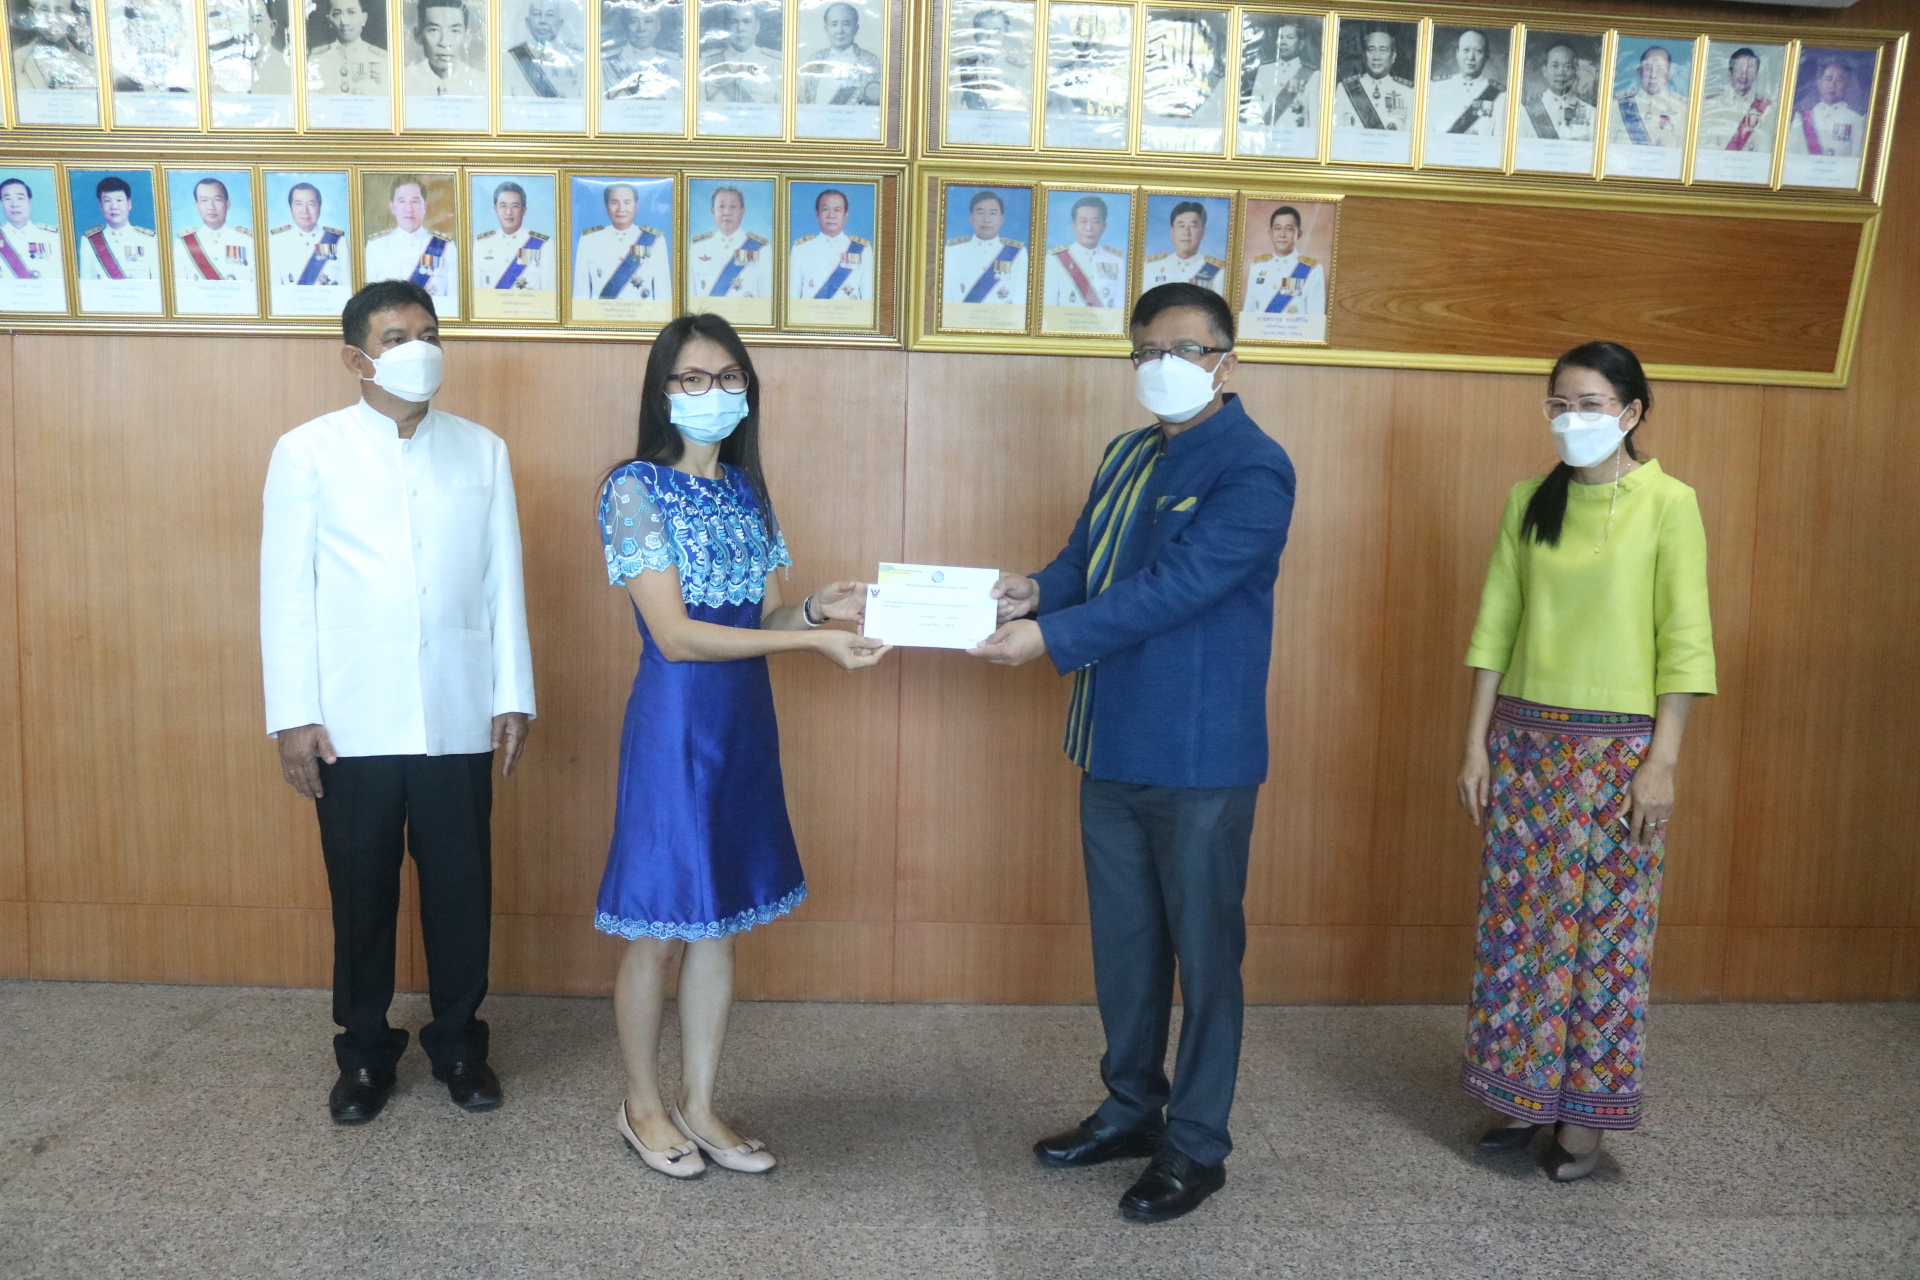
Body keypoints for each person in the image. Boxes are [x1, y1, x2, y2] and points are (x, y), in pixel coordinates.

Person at [971, 282, 1295, 1223]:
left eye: (1184, 349)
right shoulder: (1126, 453)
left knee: (1205, 955)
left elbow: (1177, 586)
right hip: (1110, 740)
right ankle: (1129, 1110)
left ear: (1227, 361)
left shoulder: (1255, 466)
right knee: (1125, 947)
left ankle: (1197, 1144)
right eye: (1146, 350)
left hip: (1198, 755)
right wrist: (1034, 592)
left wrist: (1053, 637)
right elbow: (1087, 562)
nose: (1163, 366)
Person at [595, 312, 886, 1179]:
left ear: (748, 391)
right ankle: (641, 1105)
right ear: (662, 391)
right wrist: (810, 644)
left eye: (728, 378)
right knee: (659, 926)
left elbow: (759, 619)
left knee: (718, 923)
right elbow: (678, 636)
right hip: (675, 725)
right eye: (692, 378)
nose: (711, 393)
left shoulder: (746, 492)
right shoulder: (635, 489)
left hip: (744, 724)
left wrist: (816, 611)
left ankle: (701, 1103)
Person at [261, 280, 535, 1125]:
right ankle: (364, 1055)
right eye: (395, 337)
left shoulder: (483, 451)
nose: (418, 349)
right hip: (350, 719)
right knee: (361, 894)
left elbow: (502, 582)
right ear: (357, 359)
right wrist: (292, 716)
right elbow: (286, 593)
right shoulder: (307, 452)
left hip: (457, 709)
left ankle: (459, 1046)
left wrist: (513, 694)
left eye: (428, 333)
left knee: (461, 890)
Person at [1456, 341, 1714, 1182]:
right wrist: (1475, 745)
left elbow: (1684, 642)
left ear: (1631, 412)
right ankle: (1521, 1094)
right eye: (1559, 404)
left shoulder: (1669, 503)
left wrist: (1662, 763)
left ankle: (1584, 1120)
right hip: (1526, 750)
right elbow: (1496, 624)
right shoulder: (1529, 500)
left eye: (1590, 404)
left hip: (1618, 758)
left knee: (1606, 939)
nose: (1572, 418)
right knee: (1522, 932)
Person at [572, 181, 669, 302]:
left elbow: (663, 295)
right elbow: (580, 294)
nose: (621, 209)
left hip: (642, 313)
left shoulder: (655, 240)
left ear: (636, 206)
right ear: (606, 206)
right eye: (614, 202)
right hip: (601, 313)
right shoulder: (589, 240)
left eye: (627, 202)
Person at [365, 178, 456, 299]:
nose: (408, 208)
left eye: (415, 201)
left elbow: (453, 298)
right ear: (392, 207)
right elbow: (370, 298)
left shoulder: (445, 246)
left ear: (425, 206)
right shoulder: (376, 245)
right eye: (402, 201)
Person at [942, 189, 1026, 307]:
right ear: (971, 218)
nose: (986, 219)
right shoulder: (952, 251)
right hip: (960, 317)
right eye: (980, 212)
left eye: (993, 213)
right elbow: (945, 297)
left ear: (1001, 219)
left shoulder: (1018, 253)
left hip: (1003, 318)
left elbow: (1021, 298)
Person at [687, 184, 769, 300]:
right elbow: (690, 296)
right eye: (721, 206)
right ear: (713, 210)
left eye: (733, 207)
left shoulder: (762, 250)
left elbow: (767, 299)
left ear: (742, 211)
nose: (726, 212)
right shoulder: (697, 248)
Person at [788, 187, 870, 302]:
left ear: (846, 215)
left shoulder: (863, 250)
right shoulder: (800, 249)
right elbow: (792, 299)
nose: (831, 215)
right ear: (817, 214)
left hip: (849, 313)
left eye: (837, 210)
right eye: (825, 209)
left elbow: (868, 299)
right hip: (810, 313)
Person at [1042, 194, 1124, 309]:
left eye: (1095, 222)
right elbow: (1048, 307)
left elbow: (1120, 308)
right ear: (1074, 226)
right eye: (1083, 221)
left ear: (1104, 226)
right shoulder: (1055, 260)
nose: (1089, 228)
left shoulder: (1117, 261)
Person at [1240, 205, 1322, 318]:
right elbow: (1248, 313)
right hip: (1260, 329)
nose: (1282, 235)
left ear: (1299, 234)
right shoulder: (1257, 267)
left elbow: (1316, 318)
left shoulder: (1312, 270)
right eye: (1278, 228)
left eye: (1289, 229)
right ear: (1270, 233)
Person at [473, 180, 552, 291]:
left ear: (523, 210)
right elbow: (475, 291)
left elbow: (550, 293)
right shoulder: (482, 244)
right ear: (495, 210)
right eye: (503, 206)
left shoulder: (544, 245)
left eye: (515, 206)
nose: (508, 212)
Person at [172, 176, 253, 283]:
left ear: (227, 204)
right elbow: (179, 286)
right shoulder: (183, 242)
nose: (211, 207)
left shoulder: (247, 240)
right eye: (204, 200)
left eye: (217, 200)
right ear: (197, 205)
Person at [796, 0, 877, 105]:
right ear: (826, 29)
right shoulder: (813, 61)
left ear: (856, 29)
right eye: (834, 24)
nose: (839, 31)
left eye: (846, 24)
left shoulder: (870, 62)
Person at [1427, 28, 1504, 137]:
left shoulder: (1501, 97)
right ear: (1457, 53)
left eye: (1478, 51)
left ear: (1486, 56)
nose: (1471, 57)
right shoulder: (1434, 88)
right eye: (1466, 50)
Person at [77, 176, 157, 280]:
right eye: (107, 201)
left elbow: (157, 283)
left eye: (119, 200)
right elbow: (86, 283)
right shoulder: (89, 240)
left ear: (129, 204)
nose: (114, 206)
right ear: (100, 205)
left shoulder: (149, 239)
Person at [1243, 17, 1316, 130]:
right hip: (1265, 136)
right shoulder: (1265, 70)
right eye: (1280, 37)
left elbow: (1314, 119)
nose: (1283, 42)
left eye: (1290, 37)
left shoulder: (1312, 75)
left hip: (1296, 138)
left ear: (1301, 44)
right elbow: (1254, 109)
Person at [269, 181, 346, 288]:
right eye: (298, 204)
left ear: (319, 207)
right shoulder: (277, 242)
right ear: (291, 208)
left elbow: (347, 286)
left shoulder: (337, 241)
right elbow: (274, 289)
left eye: (311, 204)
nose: (305, 211)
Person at [699, 0, 779, 102]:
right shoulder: (706, 63)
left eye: (747, 21)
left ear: (757, 26)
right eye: (734, 22)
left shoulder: (777, 64)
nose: (741, 28)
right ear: (726, 27)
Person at [1697, 46, 1773, 152]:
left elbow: (1766, 147)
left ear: (1756, 75)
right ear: (1729, 73)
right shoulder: (1712, 103)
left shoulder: (1765, 108)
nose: (1744, 74)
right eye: (1739, 68)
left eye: (1750, 69)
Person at [1786, 56, 1864, 158]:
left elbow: (1856, 158)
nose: (1832, 85)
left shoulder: (1857, 118)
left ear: (1846, 84)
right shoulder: (1802, 116)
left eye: (1839, 80)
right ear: (1819, 83)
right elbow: (1791, 155)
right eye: (1828, 79)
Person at [207, 0, 290, 94]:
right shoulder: (229, 64)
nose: (250, 30)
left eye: (257, 21)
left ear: (272, 27)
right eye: (246, 22)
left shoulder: (284, 68)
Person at [1141, 201, 1224, 295]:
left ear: (1203, 232)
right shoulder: (1150, 267)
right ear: (1172, 231)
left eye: (1193, 226)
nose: (1186, 232)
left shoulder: (1218, 272)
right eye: (1181, 226)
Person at [1517, 40, 1594, 141]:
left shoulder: (1590, 110)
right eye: (1555, 66)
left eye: (1567, 66)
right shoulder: (1526, 110)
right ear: (1544, 70)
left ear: (1575, 71)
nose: (1560, 73)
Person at [11, 0, 97, 91]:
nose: (52, 20)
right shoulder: (14, 61)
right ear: (33, 15)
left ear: (71, 17)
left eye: (59, 11)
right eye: (44, 10)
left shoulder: (91, 65)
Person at [1336, 27, 1411, 130]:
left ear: (1393, 56)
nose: (1376, 57)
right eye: (1371, 50)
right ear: (1364, 55)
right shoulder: (1345, 89)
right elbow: (1337, 133)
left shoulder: (1407, 92)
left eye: (1383, 50)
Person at [602, 0, 679, 99]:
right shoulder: (607, 62)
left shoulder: (674, 62)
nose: (641, 29)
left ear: (658, 26)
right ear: (625, 26)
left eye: (648, 21)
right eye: (634, 21)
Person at [1612, 45, 1686, 148]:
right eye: (1648, 68)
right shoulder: (1619, 106)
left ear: (1669, 73)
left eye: (1660, 68)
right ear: (1640, 71)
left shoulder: (1682, 109)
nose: (1653, 75)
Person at [504, 0, 582, 96]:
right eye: (536, 14)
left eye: (550, 15)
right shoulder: (511, 59)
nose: (542, 21)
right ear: (528, 22)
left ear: (560, 24)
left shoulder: (578, 60)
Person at [306, 0, 386, 94]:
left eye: (351, 12)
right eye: (337, 14)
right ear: (329, 20)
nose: (344, 22)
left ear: (363, 18)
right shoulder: (315, 58)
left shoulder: (382, 59)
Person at [405, 0, 482, 95]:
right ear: (418, 35)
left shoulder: (483, 84)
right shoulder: (403, 81)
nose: (444, 42)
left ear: (467, 38)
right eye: (434, 30)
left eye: (454, 31)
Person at [0, 177, 63, 283]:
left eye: (20, 198)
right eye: (8, 199)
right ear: (2, 203)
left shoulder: (53, 238)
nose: (14, 204)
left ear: (29, 201)